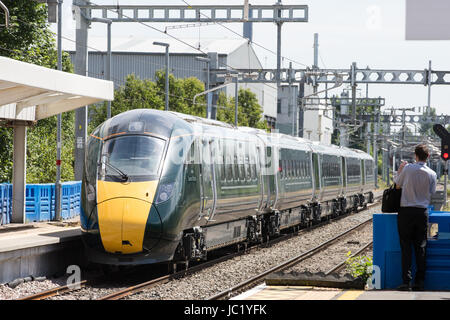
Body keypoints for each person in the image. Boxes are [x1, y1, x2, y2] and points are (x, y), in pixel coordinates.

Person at [394, 144, 437, 291]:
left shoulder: (408, 169)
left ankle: (406, 281)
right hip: (422, 213)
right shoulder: (432, 173)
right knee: (421, 247)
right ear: (428, 157)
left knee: (405, 246)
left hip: (406, 212)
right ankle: (420, 281)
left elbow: (397, 185)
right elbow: (432, 193)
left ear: (415, 155)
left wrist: (399, 171)